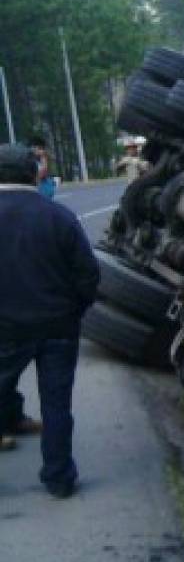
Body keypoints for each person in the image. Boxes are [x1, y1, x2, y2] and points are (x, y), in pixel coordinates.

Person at [0, 143, 99, 496]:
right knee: (57, 405)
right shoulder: (58, 216)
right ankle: (58, 478)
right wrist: (74, 311)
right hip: (58, 326)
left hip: (4, 329)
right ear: (34, 174)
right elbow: (87, 274)